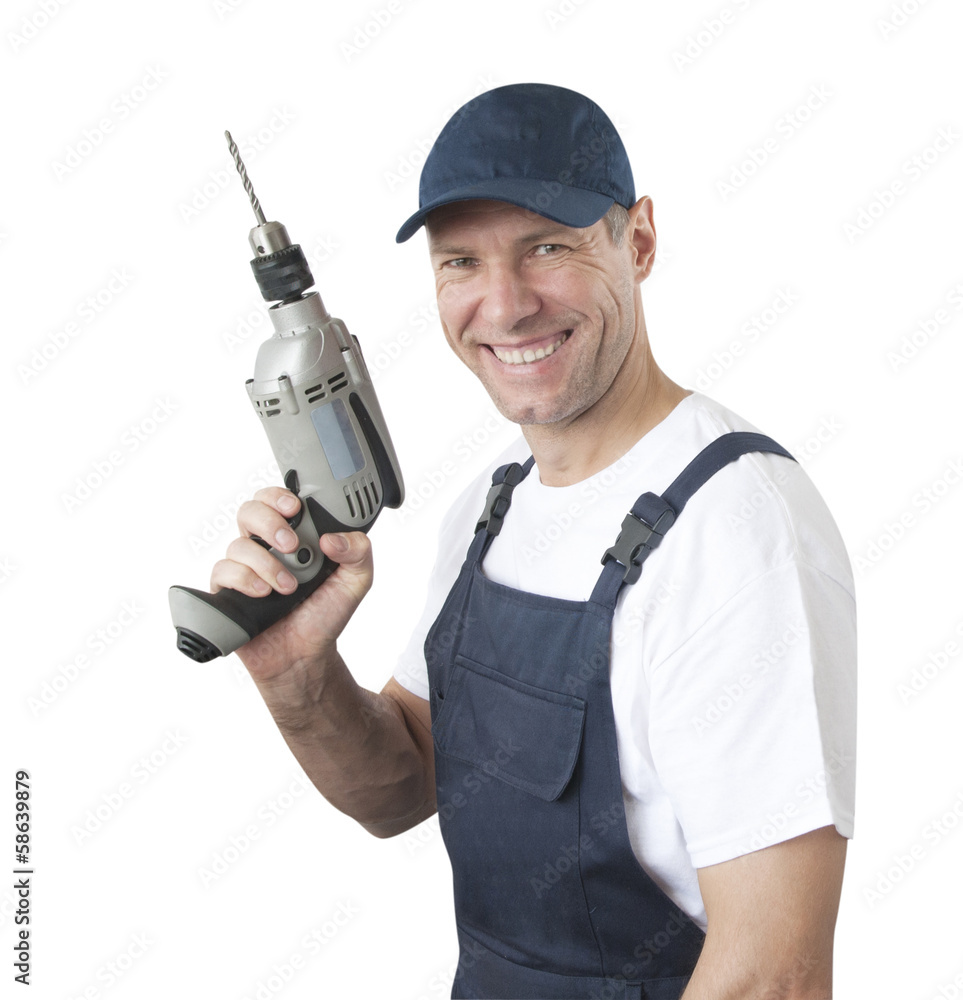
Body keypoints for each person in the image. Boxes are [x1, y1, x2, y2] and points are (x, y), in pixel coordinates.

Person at [211, 83, 856, 999]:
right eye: (460, 262)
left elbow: (772, 976)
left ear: (638, 241)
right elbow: (401, 788)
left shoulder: (737, 529)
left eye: (547, 247)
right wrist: (296, 674)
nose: (505, 305)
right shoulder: (493, 505)